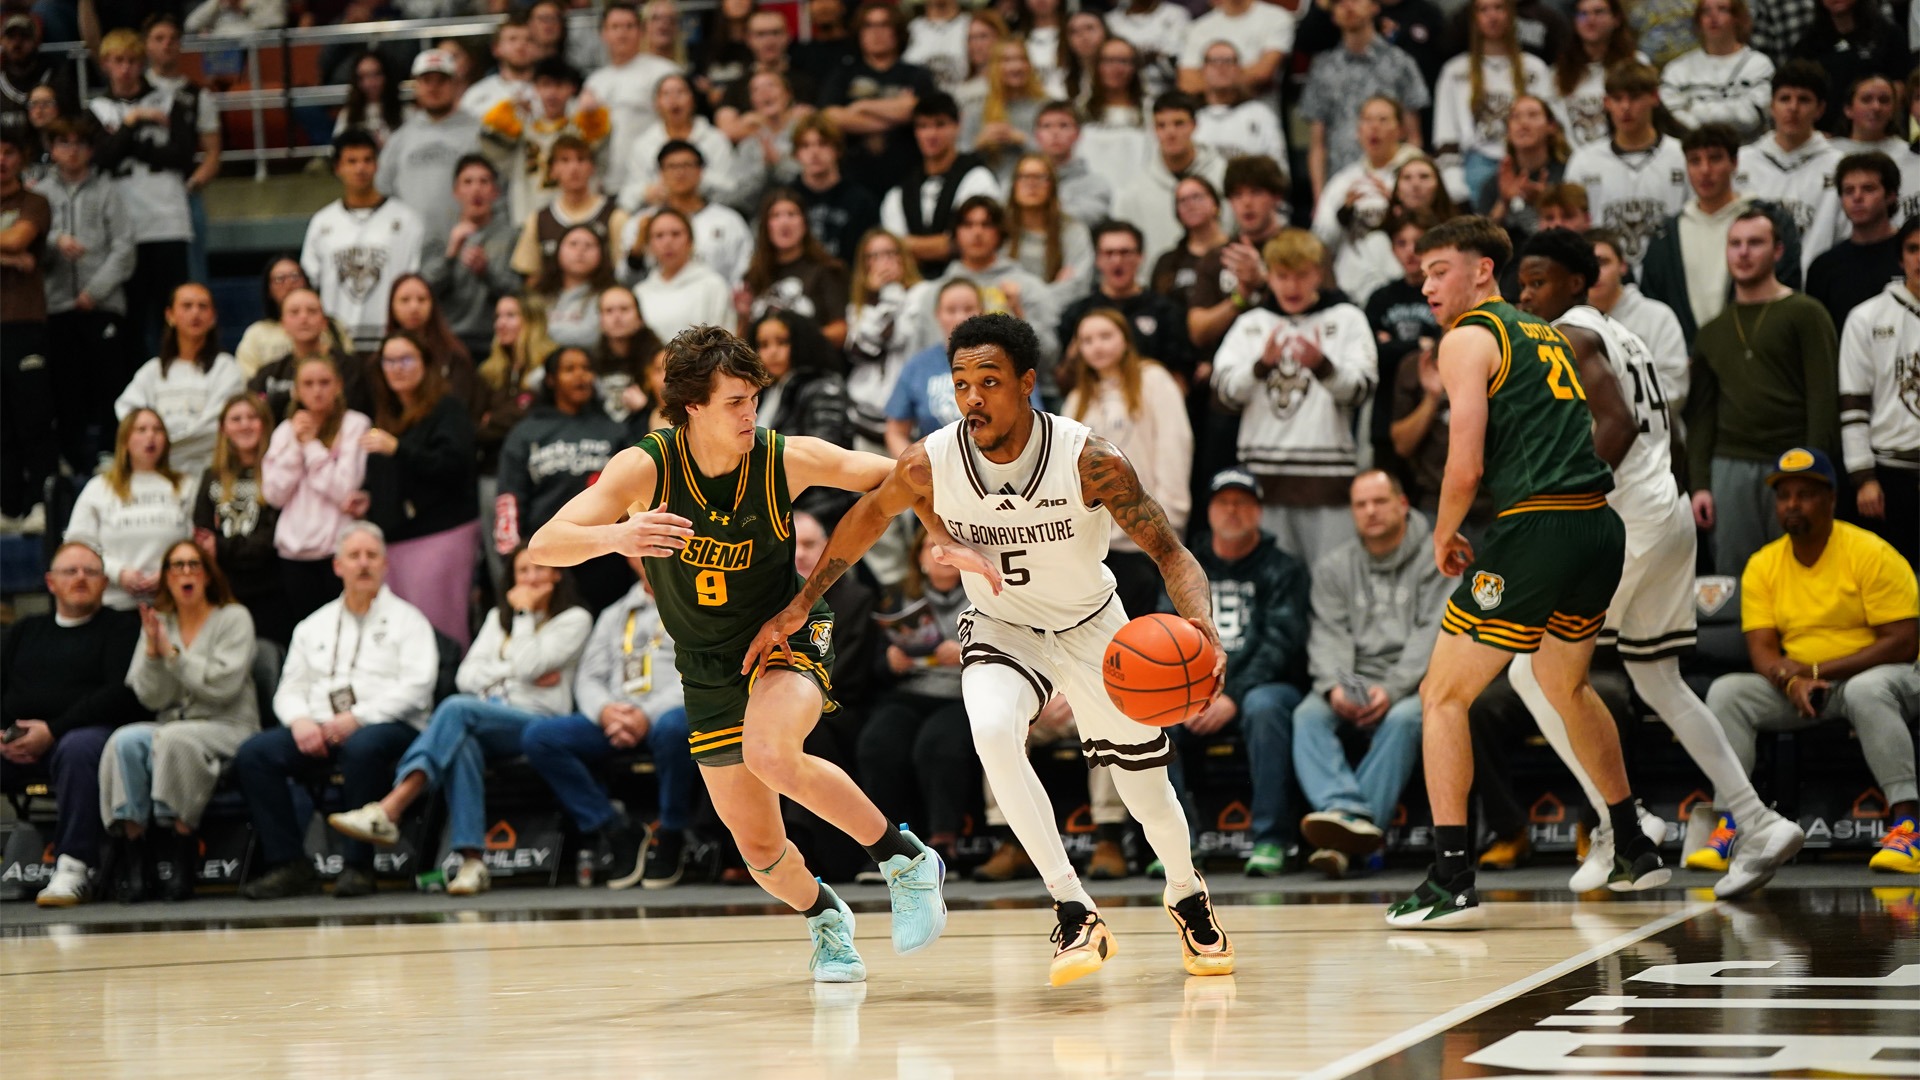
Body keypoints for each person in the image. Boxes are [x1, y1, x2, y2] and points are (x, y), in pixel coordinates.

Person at [748, 311, 1234, 985]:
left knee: (1144, 786)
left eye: (989, 381)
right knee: (991, 731)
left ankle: (1186, 891)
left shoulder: (1090, 459)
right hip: (1003, 627)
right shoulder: (930, 460)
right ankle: (1072, 906)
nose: (972, 398)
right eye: (960, 383)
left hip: (1093, 625)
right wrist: (803, 601)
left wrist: (1203, 626)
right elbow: (866, 517)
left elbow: (1172, 555)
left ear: (1026, 383)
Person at [528, 324, 949, 984]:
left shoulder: (782, 458)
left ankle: (905, 861)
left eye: (754, 397)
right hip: (704, 664)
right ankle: (825, 919)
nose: (750, 412)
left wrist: (951, 529)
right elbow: (543, 546)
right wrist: (620, 533)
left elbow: (906, 475)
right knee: (757, 845)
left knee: (772, 751)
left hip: (785, 631)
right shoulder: (648, 467)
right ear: (692, 405)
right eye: (734, 401)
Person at [1385, 216, 1665, 930]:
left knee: (1441, 696)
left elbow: (1466, 461)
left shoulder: (1468, 339)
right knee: (1561, 682)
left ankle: (1451, 878)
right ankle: (1631, 840)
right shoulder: (1545, 331)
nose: (1427, 286)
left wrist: (1445, 532)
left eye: (1440, 269)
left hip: (1538, 526)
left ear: (1483, 271)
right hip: (1598, 527)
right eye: (1422, 274)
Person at [1513, 226, 1806, 898]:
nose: (1525, 295)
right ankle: (1758, 824)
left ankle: (1621, 827)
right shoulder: (1623, 334)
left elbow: (1612, 427)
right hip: (1664, 510)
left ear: (1576, 284)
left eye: (1538, 282)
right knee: (1658, 678)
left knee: (1533, 670)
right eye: (1521, 283)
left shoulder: (1568, 334)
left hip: (1628, 518)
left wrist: (1562, 502)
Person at [1702, 447, 1919, 875]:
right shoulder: (1763, 564)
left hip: (1880, 677)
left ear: (1831, 500)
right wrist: (1792, 683)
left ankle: (1908, 826)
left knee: (1866, 689)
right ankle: (1733, 821)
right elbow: (1762, 650)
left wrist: (1817, 672)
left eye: (1804, 494)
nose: (1791, 505)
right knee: (1727, 692)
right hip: (1804, 688)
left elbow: (1904, 642)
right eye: (1784, 496)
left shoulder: (1870, 552)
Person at [329, 546, 594, 897]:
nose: (530, 579)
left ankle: (391, 807)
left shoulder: (573, 619)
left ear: (557, 574)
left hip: (540, 723)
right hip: (487, 720)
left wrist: (524, 615)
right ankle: (472, 862)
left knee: (456, 709)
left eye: (538, 570)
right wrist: (514, 675)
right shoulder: (498, 619)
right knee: (462, 741)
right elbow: (467, 675)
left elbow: (528, 664)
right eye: (522, 572)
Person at [235, 522, 439, 901]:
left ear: (385, 564)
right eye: (354, 556)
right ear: (337, 565)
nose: (363, 564)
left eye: (371, 556)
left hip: (389, 726)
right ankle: (289, 864)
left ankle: (358, 868)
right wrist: (300, 722)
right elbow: (289, 689)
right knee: (255, 754)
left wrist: (357, 717)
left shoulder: (409, 620)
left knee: (362, 746)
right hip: (318, 728)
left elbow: (418, 686)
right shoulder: (313, 626)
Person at [1289, 470, 1444, 878]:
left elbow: (1432, 635)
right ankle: (1350, 815)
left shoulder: (1438, 557)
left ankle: (1340, 833)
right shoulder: (1335, 567)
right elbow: (1328, 635)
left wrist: (1392, 689)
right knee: (1308, 714)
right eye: (1361, 504)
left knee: (1408, 717)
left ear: (1403, 503)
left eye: (1379, 501)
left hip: (1414, 681)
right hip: (1352, 678)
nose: (1370, 512)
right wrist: (1335, 688)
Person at [522, 559, 694, 889]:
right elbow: (588, 677)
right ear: (629, 556)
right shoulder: (615, 613)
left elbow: (698, 673)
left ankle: (672, 832)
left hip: (667, 713)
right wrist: (605, 712)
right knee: (540, 737)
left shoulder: (695, 602)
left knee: (676, 726)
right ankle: (615, 828)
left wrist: (647, 714)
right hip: (615, 716)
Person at [1213, 229, 1380, 568]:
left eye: (1302, 275)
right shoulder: (1252, 324)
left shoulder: (1347, 319)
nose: (1292, 286)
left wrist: (1322, 366)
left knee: (1329, 582)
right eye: (1282, 276)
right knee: (1275, 586)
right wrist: (1261, 366)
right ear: (1268, 277)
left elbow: (1362, 389)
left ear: (1318, 273)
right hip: (1263, 484)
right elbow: (1223, 393)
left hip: (1328, 486)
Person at [103, 540, 258, 903]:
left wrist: (172, 656)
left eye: (193, 565)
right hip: (172, 725)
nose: (186, 572)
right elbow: (148, 697)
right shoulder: (158, 623)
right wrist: (155, 658)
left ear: (207, 575)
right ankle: (137, 859)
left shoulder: (233, 618)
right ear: (167, 578)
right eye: (177, 566)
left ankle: (181, 860)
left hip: (229, 726)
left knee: (173, 740)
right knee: (124, 741)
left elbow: (224, 686)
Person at [1687, 210, 1840, 576]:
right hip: (1730, 465)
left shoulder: (1806, 313)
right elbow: (1701, 416)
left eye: (1755, 243)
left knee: (1803, 572)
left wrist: (1815, 472)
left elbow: (1823, 399)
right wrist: (1701, 485)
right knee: (1734, 577)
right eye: (1735, 244)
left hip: (1792, 462)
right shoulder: (1712, 330)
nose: (1743, 253)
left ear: (1777, 251)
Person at [0, 542, 147, 908]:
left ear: (105, 582)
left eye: (91, 572)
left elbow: (121, 695)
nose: (80, 578)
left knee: (79, 748)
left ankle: (74, 867)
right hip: (14, 742)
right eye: (71, 571)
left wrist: (53, 730)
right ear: (51, 582)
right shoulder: (24, 631)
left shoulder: (122, 628)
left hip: (82, 738)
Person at [853, 527, 975, 877]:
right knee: (879, 743)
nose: (940, 553)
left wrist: (968, 653)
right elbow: (873, 666)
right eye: (930, 546)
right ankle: (887, 849)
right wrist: (890, 660)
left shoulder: (985, 595)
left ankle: (943, 844)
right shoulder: (896, 599)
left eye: (948, 546)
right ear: (918, 559)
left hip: (961, 694)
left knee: (938, 744)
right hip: (909, 691)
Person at [1061, 307, 1193, 618]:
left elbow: (1175, 447)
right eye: (1087, 339)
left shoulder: (1154, 381)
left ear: (1125, 339)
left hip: (1144, 534)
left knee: (1140, 631)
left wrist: (1169, 520)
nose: (1097, 345)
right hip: (1094, 543)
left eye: (1106, 336)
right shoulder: (1078, 397)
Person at [496, 345, 636, 613]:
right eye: (569, 369)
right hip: (548, 558)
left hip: (606, 556)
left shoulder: (614, 430)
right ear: (551, 380)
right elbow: (509, 499)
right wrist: (515, 557)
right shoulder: (527, 432)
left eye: (585, 369)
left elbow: (634, 493)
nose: (580, 376)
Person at [361, 331, 479, 647]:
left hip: (442, 533)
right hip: (397, 538)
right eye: (389, 361)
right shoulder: (389, 413)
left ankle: (451, 692)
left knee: (440, 628)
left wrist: (398, 448)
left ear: (426, 364)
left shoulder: (447, 409)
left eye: (406, 359)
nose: (397, 368)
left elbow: (453, 466)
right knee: (404, 633)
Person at [88, 28, 195, 354]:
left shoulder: (168, 100)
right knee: (130, 320)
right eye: (118, 61)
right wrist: (134, 122)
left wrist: (127, 144)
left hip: (167, 222)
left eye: (133, 61)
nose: (125, 68)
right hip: (122, 227)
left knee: (173, 315)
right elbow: (102, 158)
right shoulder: (96, 109)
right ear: (105, 64)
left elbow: (182, 155)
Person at [40, 115, 134, 479]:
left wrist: (95, 292)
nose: (72, 151)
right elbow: (32, 244)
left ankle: (110, 452)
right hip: (56, 305)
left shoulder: (108, 191)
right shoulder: (40, 195)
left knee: (110, 382)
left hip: (102, 304)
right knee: (64, 387)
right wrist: (54, 241)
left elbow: (125, 248)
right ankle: (69, 456)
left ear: (91, 150)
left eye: (80, 144)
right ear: (52, 149)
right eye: (64, 143)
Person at [263, 352, 371, 624]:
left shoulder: (355, 424)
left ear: (338, 386)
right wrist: (296, 448)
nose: (317, 391)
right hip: (293, 553)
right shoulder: (285, 431)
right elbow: (274, 495)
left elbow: (344, 488)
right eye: (308, 384)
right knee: (305, 631)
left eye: (324, 382)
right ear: (296, 391)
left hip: (337, 551)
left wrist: (311, 445)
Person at [1837, 218, 1920, 565]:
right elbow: (1853, 404)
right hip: (1889, 475)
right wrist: (1863, 477)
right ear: (1900, 259)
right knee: (1893, 588)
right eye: (1913, 249)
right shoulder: (1865, 317)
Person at [300, 130, 426, 354]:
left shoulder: (407, 220)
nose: (360, 168)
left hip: (392, 341)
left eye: (367, 160)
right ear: (338, 168)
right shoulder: (322, 223)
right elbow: (309, 284)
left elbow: (415, 284)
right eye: (352, 161)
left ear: (377, 165)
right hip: (337, 345)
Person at [908, 196, 1061, 376]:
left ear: (1000, 232)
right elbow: (918, 362)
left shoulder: (1028, 287)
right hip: (943, 390)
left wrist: (1020, 313)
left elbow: (1050, 359)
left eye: (986, 224)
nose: (977, 232)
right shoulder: (934, 293)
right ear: (955, 233)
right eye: (967, 225)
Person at [113, 283, 246, 481]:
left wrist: (159, 440)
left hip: (209, 473)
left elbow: (214, 427)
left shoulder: (226, 368)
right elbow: (128, 413)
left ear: (213, 317)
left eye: (203, 306)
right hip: (157, 473)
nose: (195, 313)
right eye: (187, 306)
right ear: (170, 315)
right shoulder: (153, 370)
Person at [1299, 0, 1428, 202]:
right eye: (1340, 2)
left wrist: (1409, 191)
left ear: (1375, 6)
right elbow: (1317, 145)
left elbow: (1413, 137)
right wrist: (1320, 198)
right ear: (1333, 15)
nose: (1349, 6)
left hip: (1392, 183)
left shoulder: (1400, 63)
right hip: (1339, 183)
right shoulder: (1322, 69)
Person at [67, 409, 194, 612]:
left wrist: (170, 572)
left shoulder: (185, 485)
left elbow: (197, 542)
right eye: (141, 430)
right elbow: (77, 547)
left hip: (172, 603)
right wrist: (118, 573)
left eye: (157, 430)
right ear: (125, 440)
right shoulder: (99, 487)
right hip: (113, 605)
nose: (150, 436)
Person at [1562, 64, 1687, 270]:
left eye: (1635, 97)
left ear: (1655, 97)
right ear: (1606, 103)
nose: (1625, 107)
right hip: (1603, 272)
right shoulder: (1584, 161)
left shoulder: (1681, 156)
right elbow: (1571, 227)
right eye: (1618, 99)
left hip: (1670, 269)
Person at [1432, 0, 1551, 202]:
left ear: (1511, 14)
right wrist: (1453, 185)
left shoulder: (1534, 68)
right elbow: (1445, 134)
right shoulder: (1455, 71)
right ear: (1474, 18)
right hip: (1474, 163)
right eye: (1483, 10)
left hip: (1526, 162)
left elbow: (1549, 124)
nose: (1492, 16)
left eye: (1498, 8)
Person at [193, 394, 288, 645]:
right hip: (223, 591)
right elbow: (202, 534)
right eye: (236, 419)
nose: (245, 425)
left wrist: (222, 547)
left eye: (252, 417)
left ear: (265, 424)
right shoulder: (210, 476)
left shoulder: (280, 472)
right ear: (223, 428)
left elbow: (271, 539)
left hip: (270, 591)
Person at [480, 56, 612, 231]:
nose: (552, 94)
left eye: (559, 86)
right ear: (535, 88)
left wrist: (592, 112)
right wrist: (511, 108)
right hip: (529, 224)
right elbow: (490, 138)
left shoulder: (582, 130)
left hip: (577, 226)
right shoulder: (521, 132)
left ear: (572, 88)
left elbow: (600, 145)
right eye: (545, 85)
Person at [1313, 98, 1423, 306]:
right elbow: (1320, 242)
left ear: (1400, 129)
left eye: (1383, 120)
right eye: (1367, 120)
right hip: (1352, 292)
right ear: (1358, 131)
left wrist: (1397, 203)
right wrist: (1343, 214)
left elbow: (1436, 226)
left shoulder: (1416, 175)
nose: (1374, 127)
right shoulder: (1342, 182)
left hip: (1406, 293)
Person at [821, 1, 936, 200]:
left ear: (897, 32)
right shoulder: (844, 73)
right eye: (869, 26)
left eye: (884, 25)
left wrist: (861, 107)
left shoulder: (916, 74)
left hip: (909, 179)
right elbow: (830, 116)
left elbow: (916, 110)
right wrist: (894, 115)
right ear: (859, 32)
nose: (877, 33)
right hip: (854, 181)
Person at [881, 91, 1001, 280]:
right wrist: (941, 245)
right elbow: (890, 250)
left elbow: (971, 242)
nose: (931, 134)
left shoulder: (978, 176)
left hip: (972, 283)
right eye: (923, 126)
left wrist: (910, 245)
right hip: (914, 287)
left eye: (940, 124)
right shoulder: (901, 190)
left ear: (958, 124)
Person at [1111, 93, 1228, 286]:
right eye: (1161, 125)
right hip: (1157, 291)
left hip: (1219, 287)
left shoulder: (1222, 176)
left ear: (1194, 125)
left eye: (1179, 123)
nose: (1170, 133)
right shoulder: (1133, 192)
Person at [1734, 62, 1842, 268]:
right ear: (1772, 106)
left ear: (1820, 109)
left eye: (1804, 100)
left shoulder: (1839, 165)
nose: (1793, 108)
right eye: (1785, 99)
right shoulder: (1742, 162)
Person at [1058, 221, 1192, 384]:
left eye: (1125, 252)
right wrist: (1073, 358)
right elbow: (1063, 381)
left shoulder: (1167, 311)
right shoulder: (1077, 313)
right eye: (1109, 253)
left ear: (1140, 257)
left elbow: (1179, 379)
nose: (1117, 260)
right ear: (1097, 259)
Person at [422, 155, 524, 364]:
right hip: (449, 339)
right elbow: (426, 290)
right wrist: (450, 256)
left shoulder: (513, 236)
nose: (476, 190)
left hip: (497, 338)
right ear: (456, 191)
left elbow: (519, 292)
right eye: (468, 182)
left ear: (495, 192)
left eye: (484, 182)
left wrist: (486, 272)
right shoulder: (439, 237)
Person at [376, 49, 481, 249]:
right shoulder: (400, 138)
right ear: (416, 85)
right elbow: (383, 191)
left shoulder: (478, 133)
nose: (433, 87)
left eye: (441, 80)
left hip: (470, 246)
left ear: (455, 84)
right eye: (426, 80)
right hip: (412, 247)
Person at [0, 127, 51, 529]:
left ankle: (39, 501)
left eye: (9, 152)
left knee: (31, 416)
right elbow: (13, 250)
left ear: (22, 158)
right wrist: (12, 260)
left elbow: (19, 240)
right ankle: (8, 506)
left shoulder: (34, 202)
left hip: (25, 321)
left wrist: (15, 254)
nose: (1, 160)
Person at [619, 140, 753, 288]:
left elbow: (743, 273)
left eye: (687, 165)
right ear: (660, 173)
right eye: (672, 166)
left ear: (701, 171)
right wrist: (638, 250)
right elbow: (626, 280)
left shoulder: (728, 221)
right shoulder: (641, 223)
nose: (680, 173)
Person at [586, 1, 682, 200]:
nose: (622, 33)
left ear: (641, 31)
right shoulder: (594, 81)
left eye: (629, 26)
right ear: (603, 34)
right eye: (615, 27)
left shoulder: (664, 71)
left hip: (651, 180)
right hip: (605, 182)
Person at [1586, 228, 1689, 413]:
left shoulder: (1658, 316)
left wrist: (1614, 416)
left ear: (1623, 266)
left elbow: (1675, 390)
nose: (1594, 271)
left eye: (1603, 262)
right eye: (1586, 264)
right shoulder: (1570, 323)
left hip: (1656, 437)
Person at [846, 229, 929, 454]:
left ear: (903, 257)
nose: (884, 263)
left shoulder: (923, 295)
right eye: (874, 256)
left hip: (909, 416)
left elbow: (896, 337)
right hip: (864, 417)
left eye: (890, 254)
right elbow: (863, 349)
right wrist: (879, 298)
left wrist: (890, 295)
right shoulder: (858, 306)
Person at [510, 135, 630, 284]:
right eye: (565, 160)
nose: (574, 168)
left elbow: (625, 271)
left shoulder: (615, 216)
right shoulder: (539, 219)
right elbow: (531, 275)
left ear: (592, 167)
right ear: (552, 170)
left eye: (581, 160)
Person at [1804, 152, 1902, 331]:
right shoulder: (1824, 267)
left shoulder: (1911, 254)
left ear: (1890, 195)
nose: (1857, 197)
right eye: (1849, 191)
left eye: (1868, 189)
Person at [619, 74, 741, 215]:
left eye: (680, 92)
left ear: (693, 100)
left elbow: (731, 187)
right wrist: (647, 192)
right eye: (666, 94)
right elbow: (627, 197)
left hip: (709, 212)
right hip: (659, 215)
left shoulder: (715, 139)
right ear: (656, 104)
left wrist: (691, 181)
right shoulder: (643, 145)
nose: (673, 99)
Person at [740, 189, 850, 345]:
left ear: (805, 224)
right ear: (766, 226)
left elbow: (841, 331)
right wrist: (743, 316)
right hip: (763, 367)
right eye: (776, 216)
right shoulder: (754, 275)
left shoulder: (828, 270)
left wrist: (791, 340)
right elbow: (743, 343)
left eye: (792, 214)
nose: (785, 222)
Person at [1658, 0, 1773, 142]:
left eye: (1722, 9)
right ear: (1698, 20)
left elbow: (1751, 117)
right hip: (1692, 148)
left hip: (1748, 151)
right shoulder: (1677, 70)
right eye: (1706, 11)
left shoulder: (1758, 64)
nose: (1713, 17)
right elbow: (1672, 116)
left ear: (1737, 18)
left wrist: (1696, 109)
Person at [248, 287, 362, 430]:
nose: (303, 318)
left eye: (312, 311)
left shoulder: (350, 367)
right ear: (283, 324)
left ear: (325, 322)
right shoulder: (269, 374)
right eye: (294, 312)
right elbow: (255, 412)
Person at [1548, 0, 1642, 152]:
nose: (1590, 20)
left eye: (1599, 12)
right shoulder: (1558, 73)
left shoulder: (1636, 64)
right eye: (1583, 14)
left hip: (1625, 155)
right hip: (1572, 161)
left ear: (1616, 19)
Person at [791, 113, 881, 267]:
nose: (814, 152)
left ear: (837, 150)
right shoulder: (786, 199)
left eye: (823, 144)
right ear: (796, 154)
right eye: (805, 145)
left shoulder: (861, 201)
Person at [631, 208, 735, 341]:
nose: (667, 242)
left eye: (675, 234)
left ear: (690, 241)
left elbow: (725, 342)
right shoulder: (641, 292)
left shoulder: (713, 285)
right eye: (659, 236)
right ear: (650, 245)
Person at [1003, 154, 1090, 309]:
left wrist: (1025, 300)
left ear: (1052, 186)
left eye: (1040, 177)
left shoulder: (1072, 230)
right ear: (1013, 185)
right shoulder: (1000, 229)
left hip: (1059, 318)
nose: (1031, 184)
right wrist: (1055, 288)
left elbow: (1078, 285)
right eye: (1024, 177)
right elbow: (995, 282)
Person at [1192, 42, 1286, 167]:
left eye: (1228, 61)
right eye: (1214, 61)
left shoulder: (1260, 114)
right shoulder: (1188, 115)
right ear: (1202, 70)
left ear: (1239, 69)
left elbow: (1279, 166)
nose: (1221, 67)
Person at [1176, 0, 1293, 96]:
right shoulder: (1199, 28)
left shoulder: (1276, 17)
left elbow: (1262, 73)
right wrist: (1236, 81)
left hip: (1259, 110)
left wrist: (1213, 83)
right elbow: (1187, 83)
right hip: (1208, 114)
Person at [592, 285, 666, 429]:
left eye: (624, 309)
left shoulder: (660, 358)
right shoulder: (590, 360)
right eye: (609, 311)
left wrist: (645, 408)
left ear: (639, 316)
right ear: (600, 320)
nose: (617, 317)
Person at [536, 225, 620, 349]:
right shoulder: (539, 295)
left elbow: (592, 336)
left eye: (589, 245)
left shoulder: (609, 296)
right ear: (558, 250)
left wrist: (541, 333)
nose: (580, 250)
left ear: (601, 254)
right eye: (573, 244)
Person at [1031, 101, 1112, 227]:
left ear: (1078, 134)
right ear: (1036, 135)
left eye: (1063, 126)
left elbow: (1091, 216)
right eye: (1046, 126)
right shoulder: (1019, 179)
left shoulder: (1095, 184)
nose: (1055, 133)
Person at [461, 11, 539, 122]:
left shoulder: (554, 92)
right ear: (496, 48)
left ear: (538, 48)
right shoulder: (476, 94)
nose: (520, 46)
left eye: (529, 39)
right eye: (512, 39)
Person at [333, 49, 402, 147]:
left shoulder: (405, 112)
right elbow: (338, 151)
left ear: (387, 76)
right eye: (363, 77)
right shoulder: (348, 115)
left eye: (376, 74)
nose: (371, 83)